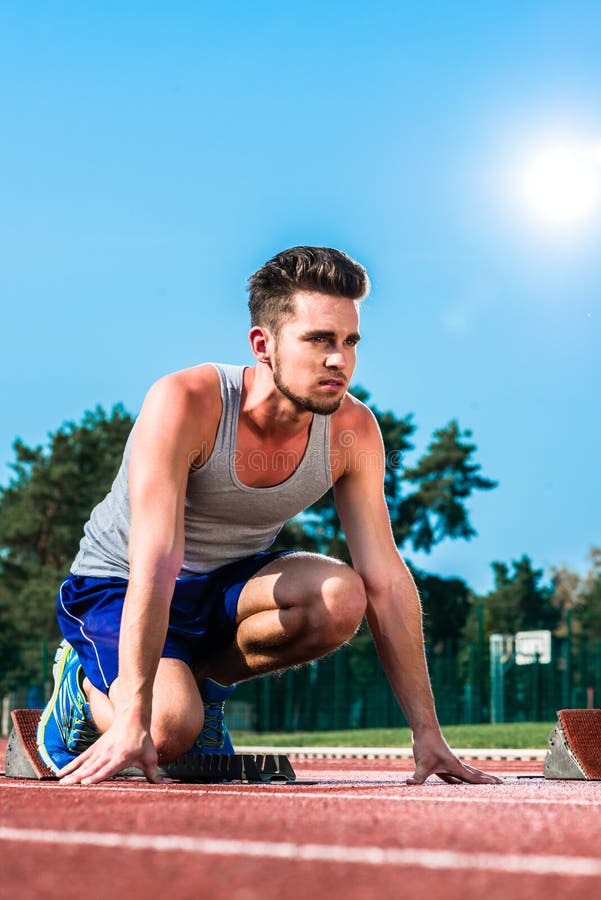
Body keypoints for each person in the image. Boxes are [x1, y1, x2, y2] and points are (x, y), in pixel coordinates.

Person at [37, 245, 501, 787]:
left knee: (339, 596)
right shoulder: (187, 402)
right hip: (121, 585)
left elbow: (386, 579)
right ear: (264, 345)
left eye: (350, 341)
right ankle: (81, 684)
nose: (340, 360)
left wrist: (428, 734)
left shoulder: (354, 431)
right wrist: (135, 714)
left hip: (226, 588)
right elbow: (158, 557)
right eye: (319, 340)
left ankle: (199, 690)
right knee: (164, 733)